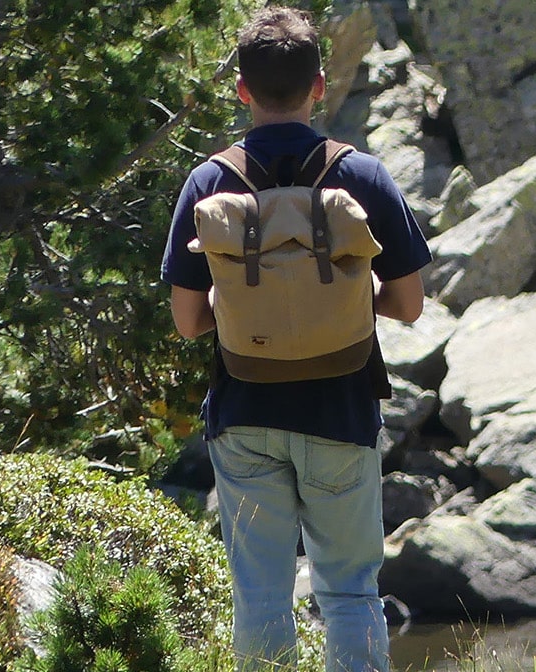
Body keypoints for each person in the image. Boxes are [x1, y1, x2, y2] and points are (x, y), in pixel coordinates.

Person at [161, 7, 428, 671]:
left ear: (242, 90)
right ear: (319, 84)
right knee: (349, 591)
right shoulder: (362, 176)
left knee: (260, 597)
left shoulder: (209, 182)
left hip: (246, 414)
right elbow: (411, 306)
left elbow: (189, 322)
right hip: (341, 410)